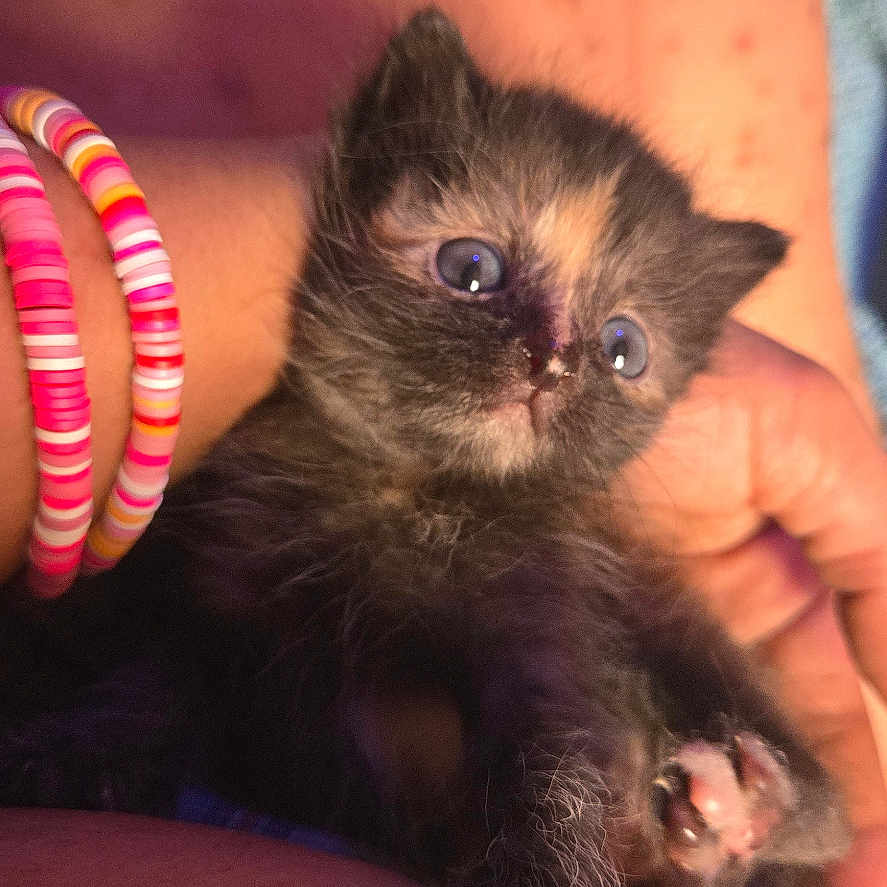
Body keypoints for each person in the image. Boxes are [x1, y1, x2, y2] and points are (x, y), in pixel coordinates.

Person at [1, 1, 885, 884]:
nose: (550, 356)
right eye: (474, 270)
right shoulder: (239, 447)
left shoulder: (534, 552)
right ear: (360, 177)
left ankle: (739, 816)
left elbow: (543, 740)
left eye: (620, 350)